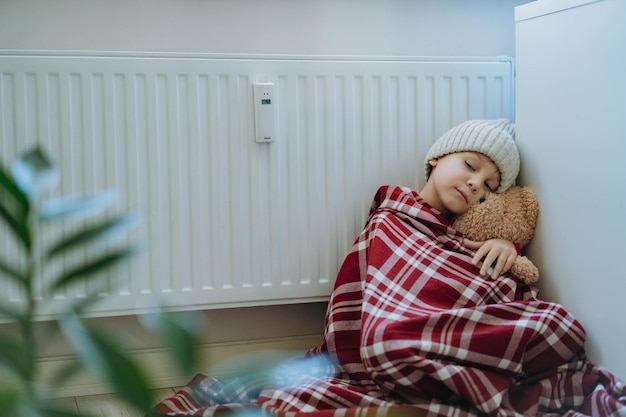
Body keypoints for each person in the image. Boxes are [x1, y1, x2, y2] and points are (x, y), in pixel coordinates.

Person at [420, 118, 520, 279]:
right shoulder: (393, 215)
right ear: (437, 157)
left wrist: (506, 246)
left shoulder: (472, 236)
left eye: (488, 185)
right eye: (470, 165)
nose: (476, 184)